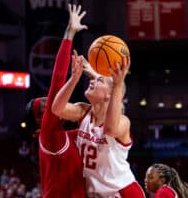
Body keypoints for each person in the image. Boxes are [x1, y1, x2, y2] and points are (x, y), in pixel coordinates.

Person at [52, 38, 145, 197]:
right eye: (92, 79)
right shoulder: (83, 112)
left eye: (99, 80)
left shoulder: (123, 122)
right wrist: (74, 79)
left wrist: (116, 84)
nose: (92, 82)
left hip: (122, 193)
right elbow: (56, 108)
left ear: (110, 94)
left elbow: (109, 129)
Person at [26, 4, 88, 198]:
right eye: (44, 105)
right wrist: (69, 34)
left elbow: (97, 128)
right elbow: (57, 82)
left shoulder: (67, 137)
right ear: (39, 120)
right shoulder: (47, 134)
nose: (50, 102)